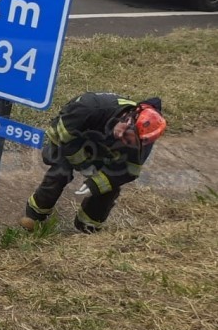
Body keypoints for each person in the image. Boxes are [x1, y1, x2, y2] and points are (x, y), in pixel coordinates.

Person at [21, 92, 167, 233]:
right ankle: (35, 215)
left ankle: (88, 227)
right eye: (125, 131)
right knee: (60, 171)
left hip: (100, 146)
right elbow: (65, 135)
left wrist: (95, 184)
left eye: (128, 140)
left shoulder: (143, 141)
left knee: (109, 187)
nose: (121, 135)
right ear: (128, 117)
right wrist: (83, 164)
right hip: (70, 137)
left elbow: (129, 171)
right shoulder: (91, 107)